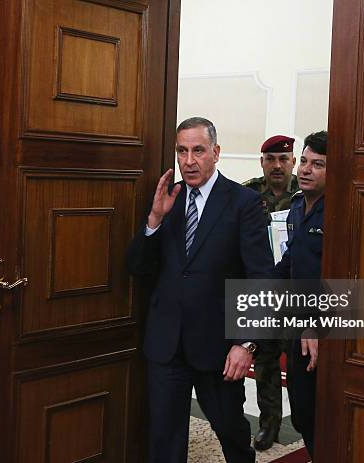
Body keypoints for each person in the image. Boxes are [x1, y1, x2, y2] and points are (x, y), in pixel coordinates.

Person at [126, 117, 275, 463]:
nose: (189, 161)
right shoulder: (169, 199)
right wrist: (154, 221)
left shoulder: (243, 202)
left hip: (219, 349)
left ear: (216, 153)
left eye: (198, 151)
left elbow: (261, 278)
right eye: (182, 151)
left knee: (232, 434)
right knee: (164, 440)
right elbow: (137, 268)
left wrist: (247, 343)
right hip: (166, 346)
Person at [272, 130, 327, 460]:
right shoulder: (297, 207)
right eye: (304, 161)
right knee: (303, 411)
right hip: (296, 326)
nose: (305, 169)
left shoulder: (338, 212)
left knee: (323, 413)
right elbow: (290, 261)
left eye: (317, 164)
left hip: (323, 331)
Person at [242, 135, 298, 451]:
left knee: (302, 358)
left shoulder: (307, 194)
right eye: (270, 159)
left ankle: (311, 421)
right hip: (262, 290)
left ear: (292, 161)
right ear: (262, 162)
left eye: (283, 159)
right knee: (264, 361)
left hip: (295, 290)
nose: (277, 165)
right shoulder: (248, 193)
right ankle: (269, 426)